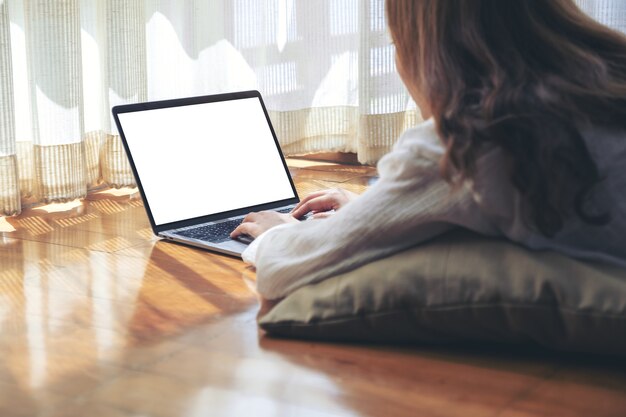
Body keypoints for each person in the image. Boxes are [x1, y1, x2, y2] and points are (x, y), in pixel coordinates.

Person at [231, 0, 626, 300]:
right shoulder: (602, 86)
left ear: (425, 48)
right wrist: (376, 212)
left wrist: (277, 235)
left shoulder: (473, 136)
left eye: (396, 41)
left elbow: (284, 274)